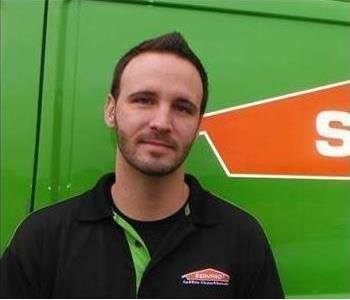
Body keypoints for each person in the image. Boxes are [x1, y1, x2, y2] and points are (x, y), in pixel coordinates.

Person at [0, 32, 284, 298]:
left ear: (198, 124)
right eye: (144, 100)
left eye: (183, 108)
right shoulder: (42, 238)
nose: (161, 122)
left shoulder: (242, 238)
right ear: (111, 110)